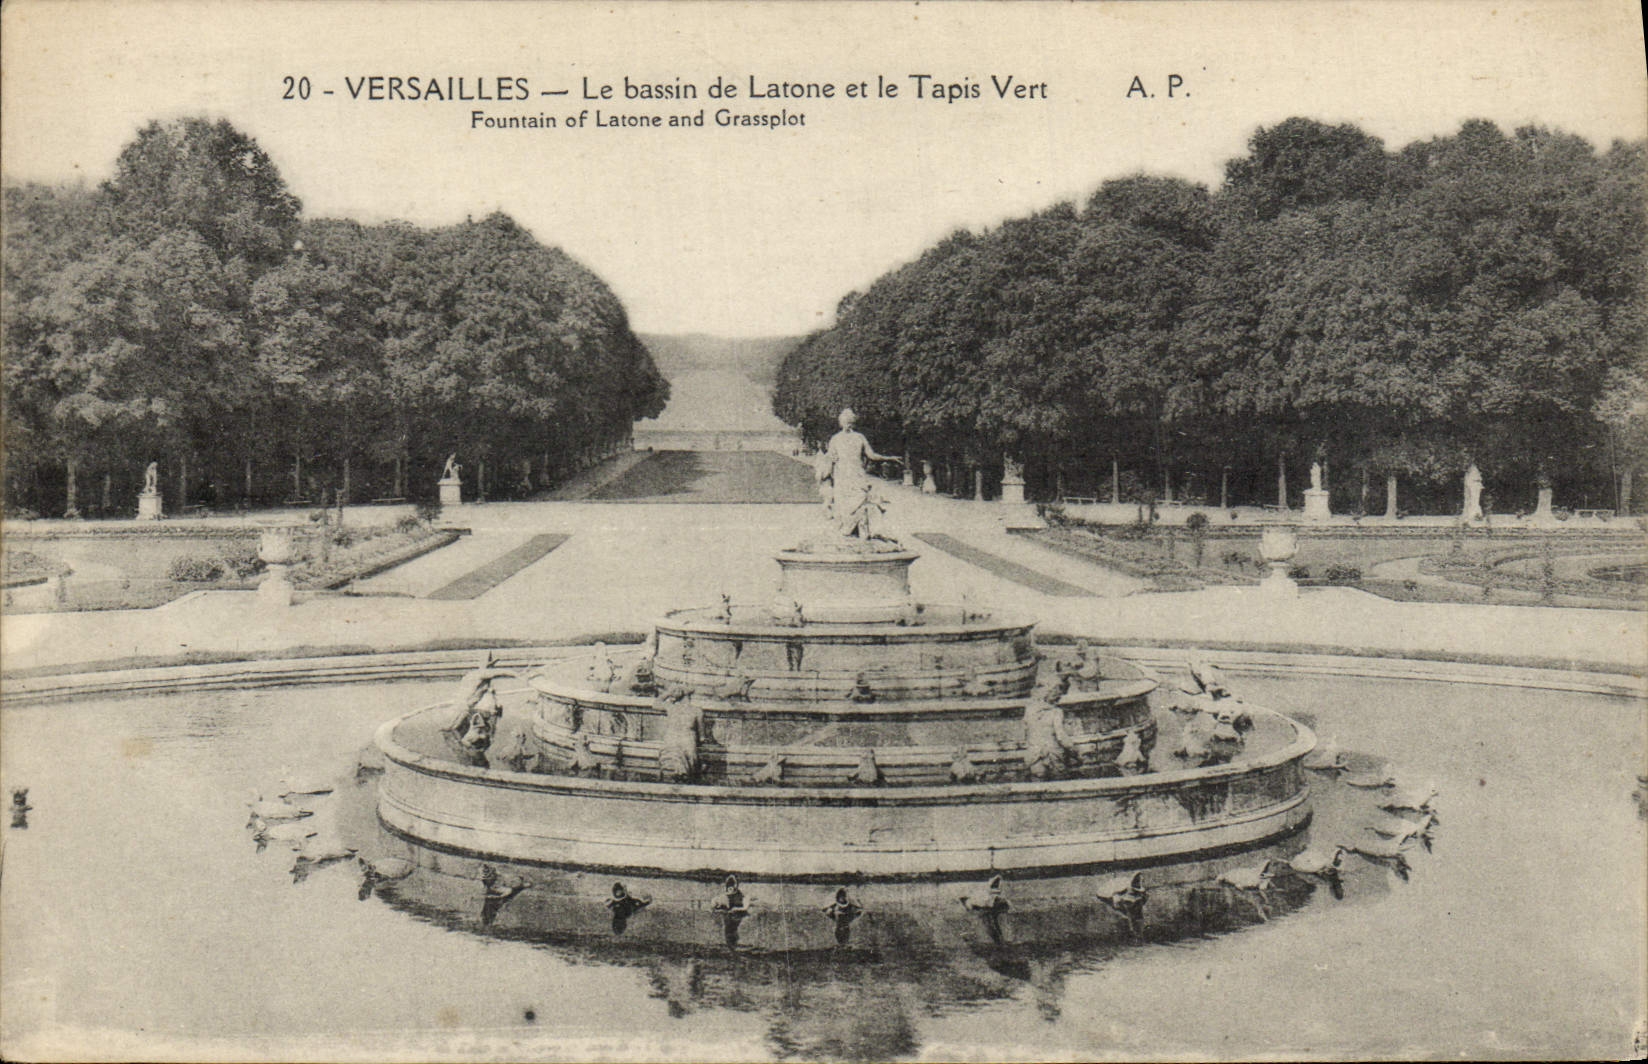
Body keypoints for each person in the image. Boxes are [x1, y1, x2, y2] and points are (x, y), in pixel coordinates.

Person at [817, 408, 900, 537]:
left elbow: (871, 455)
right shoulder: (835, 439)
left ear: (853, 423)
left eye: (850, 422)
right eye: (845, 422)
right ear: (841, 423)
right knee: (843, 503)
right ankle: (846, 530)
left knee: (860, 500)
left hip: (857, 473)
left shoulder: (859, 437)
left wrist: (888, 458)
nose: (847, 424)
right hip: (842, 475)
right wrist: (828, 464)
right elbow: (829, 458)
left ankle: (858, 531)